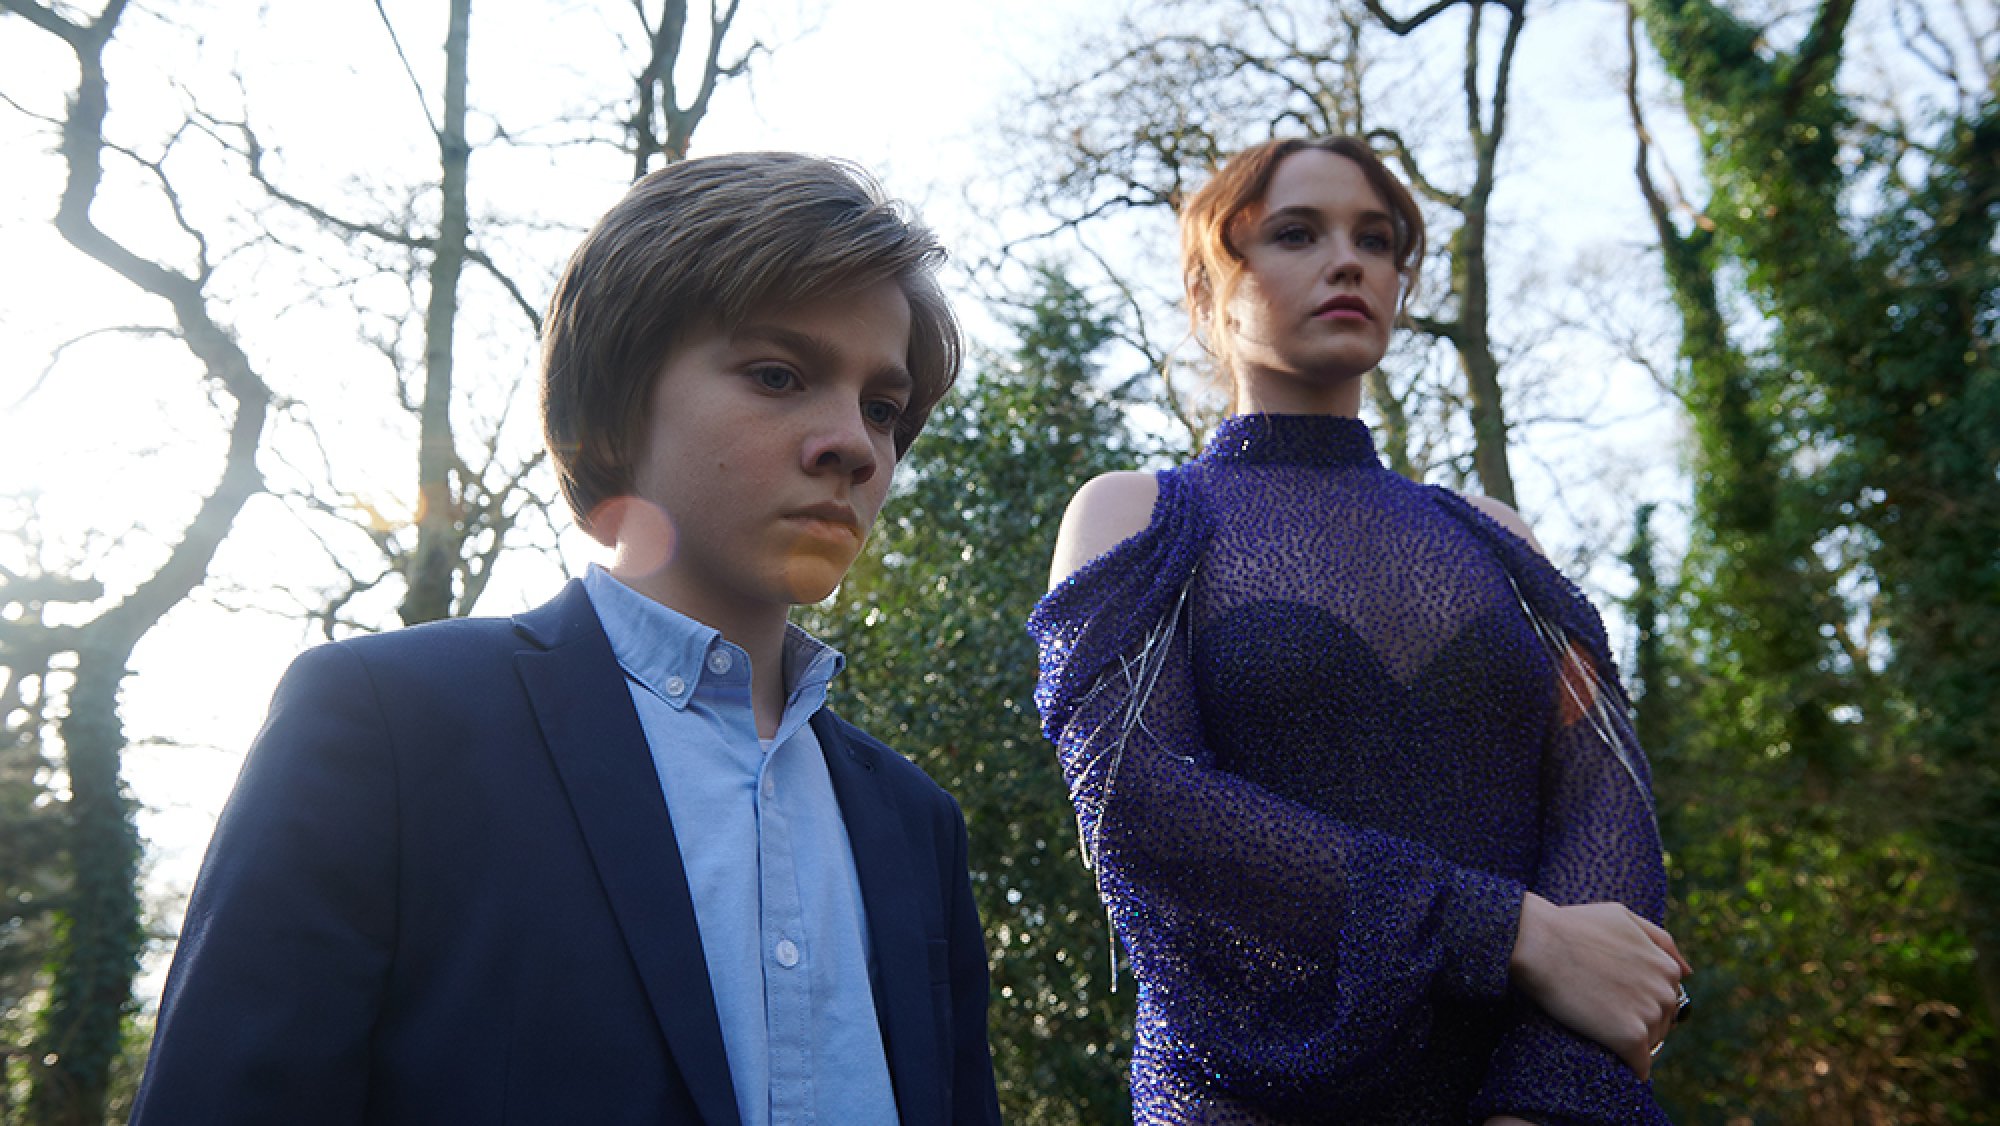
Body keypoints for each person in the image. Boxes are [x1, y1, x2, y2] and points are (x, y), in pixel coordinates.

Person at [132, 152, 1003, 1126]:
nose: (852, 441)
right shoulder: (389, 723)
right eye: (778, 373)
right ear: (618, 399)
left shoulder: (916, 822)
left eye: (882, 407)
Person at [1028, 136, 1690, 1125]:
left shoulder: (1495, 539)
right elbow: (1137, 801)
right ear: (1213, 282)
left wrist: (1548, 1090)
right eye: (1296, 233)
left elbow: (1605, 794)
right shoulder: (1136, 518)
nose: (1349, 260)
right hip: (1243, 1095)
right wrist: (1503, 928)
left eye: (1375, 239)